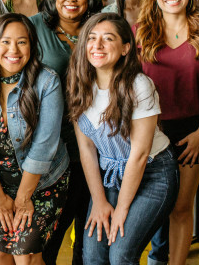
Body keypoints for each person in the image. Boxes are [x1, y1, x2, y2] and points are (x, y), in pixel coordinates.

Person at [134, 0, 199, 265]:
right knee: (146, 207)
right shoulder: (138, 33)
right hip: (149, 131)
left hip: (191, 131)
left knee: (181, 208)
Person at [67, 13, 179, 265]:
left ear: (125, 48)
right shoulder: (79, 85)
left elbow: (139, 155)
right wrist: (98, 201)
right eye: (92, 39)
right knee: (93, 255)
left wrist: (121, 210)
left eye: (108, 39)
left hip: (153, 173)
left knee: (120, 255)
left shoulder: (139, 85)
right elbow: (86, 150)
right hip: (111, 176)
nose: (97, 46)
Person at [0, 13, 70, 264]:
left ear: (32, 46)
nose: (14, 50)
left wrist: (23, 200)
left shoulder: (47, 82)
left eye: (22, 42)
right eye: (5, 41)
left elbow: (43, 149)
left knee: (26, 256)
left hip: (42, 183)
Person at [30, 0, 103, 265]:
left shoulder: (100, 29)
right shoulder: (34, 27)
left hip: (94, 147)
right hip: (50, 148)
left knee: (89, 240)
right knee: (48, 238)